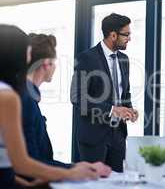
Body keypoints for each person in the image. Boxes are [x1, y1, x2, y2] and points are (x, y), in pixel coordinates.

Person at [0, 24, 99, 188]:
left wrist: (24, 184)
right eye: (27, 50)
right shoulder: (10, 97)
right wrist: (70, 172)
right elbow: (20, 162)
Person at [21, 33, 111, 177]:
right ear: (46, 63)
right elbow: (32, 161)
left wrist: (75, 166)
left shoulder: (26, 96)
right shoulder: (26, 101)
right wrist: (73, 170)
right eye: (54, 62)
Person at [71, 13, 138, 172]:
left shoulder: (124, 59)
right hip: (93, 136)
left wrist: (129, 109)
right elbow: (77, 97)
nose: (129, 38)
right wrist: (112, 110)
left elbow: (124, 91)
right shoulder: (86, 58)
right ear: (113, 35)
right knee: (95, 183)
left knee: (117, 183)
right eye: (126, 34)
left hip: (118, 136)